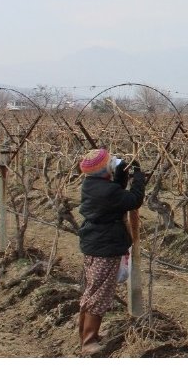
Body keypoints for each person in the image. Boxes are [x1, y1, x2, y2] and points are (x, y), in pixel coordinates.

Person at [75, 148, 146, 356]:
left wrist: (123, 173)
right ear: (104, 169)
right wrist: (138, 176)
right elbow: (133, 200)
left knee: (92, 290)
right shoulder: (107, 191)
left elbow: (116, 192)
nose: (112, 163)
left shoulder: (91, 184)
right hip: (105, 247)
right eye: (110, 162)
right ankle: (88, 342)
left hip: (95, 243)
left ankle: (87, 335)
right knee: (100, 294)